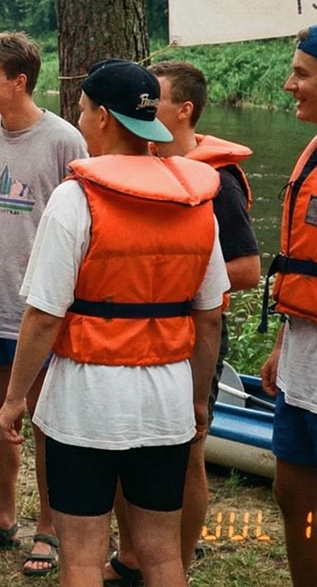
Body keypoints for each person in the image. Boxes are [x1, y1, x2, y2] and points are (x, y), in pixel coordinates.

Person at [0, 58, 228, 587]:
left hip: (87, 397)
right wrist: (196, 397)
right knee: (163, 554)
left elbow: (42, 316)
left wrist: (14, 399)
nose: (79, 122)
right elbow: (210, 317)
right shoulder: (196, 199)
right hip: (167, 394)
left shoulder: (76, 198)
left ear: (102, 117)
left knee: (81, 558)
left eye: (81, 111)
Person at [103, 60, 261, 584]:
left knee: (188, 451)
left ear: (184, 111)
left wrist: (171, 285)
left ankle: (180, 563)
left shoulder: (217, 181)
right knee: (126, 447)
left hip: (192, 338)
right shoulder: (141, 165)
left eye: (157, 98)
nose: (144, 105)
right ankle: (131, 558)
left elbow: (244, 269)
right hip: (132, 339)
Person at [0, 31, 87, 576]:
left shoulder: (64, 141)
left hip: (43, 309)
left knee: (44, 422)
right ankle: (3, 518)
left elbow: (83, 225)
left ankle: (48, 528)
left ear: (19, 81)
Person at [260, 23, 317, 587]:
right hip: (303, 362)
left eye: (302, 74)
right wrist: (280, 344)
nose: (289, 85)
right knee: (292, 492)